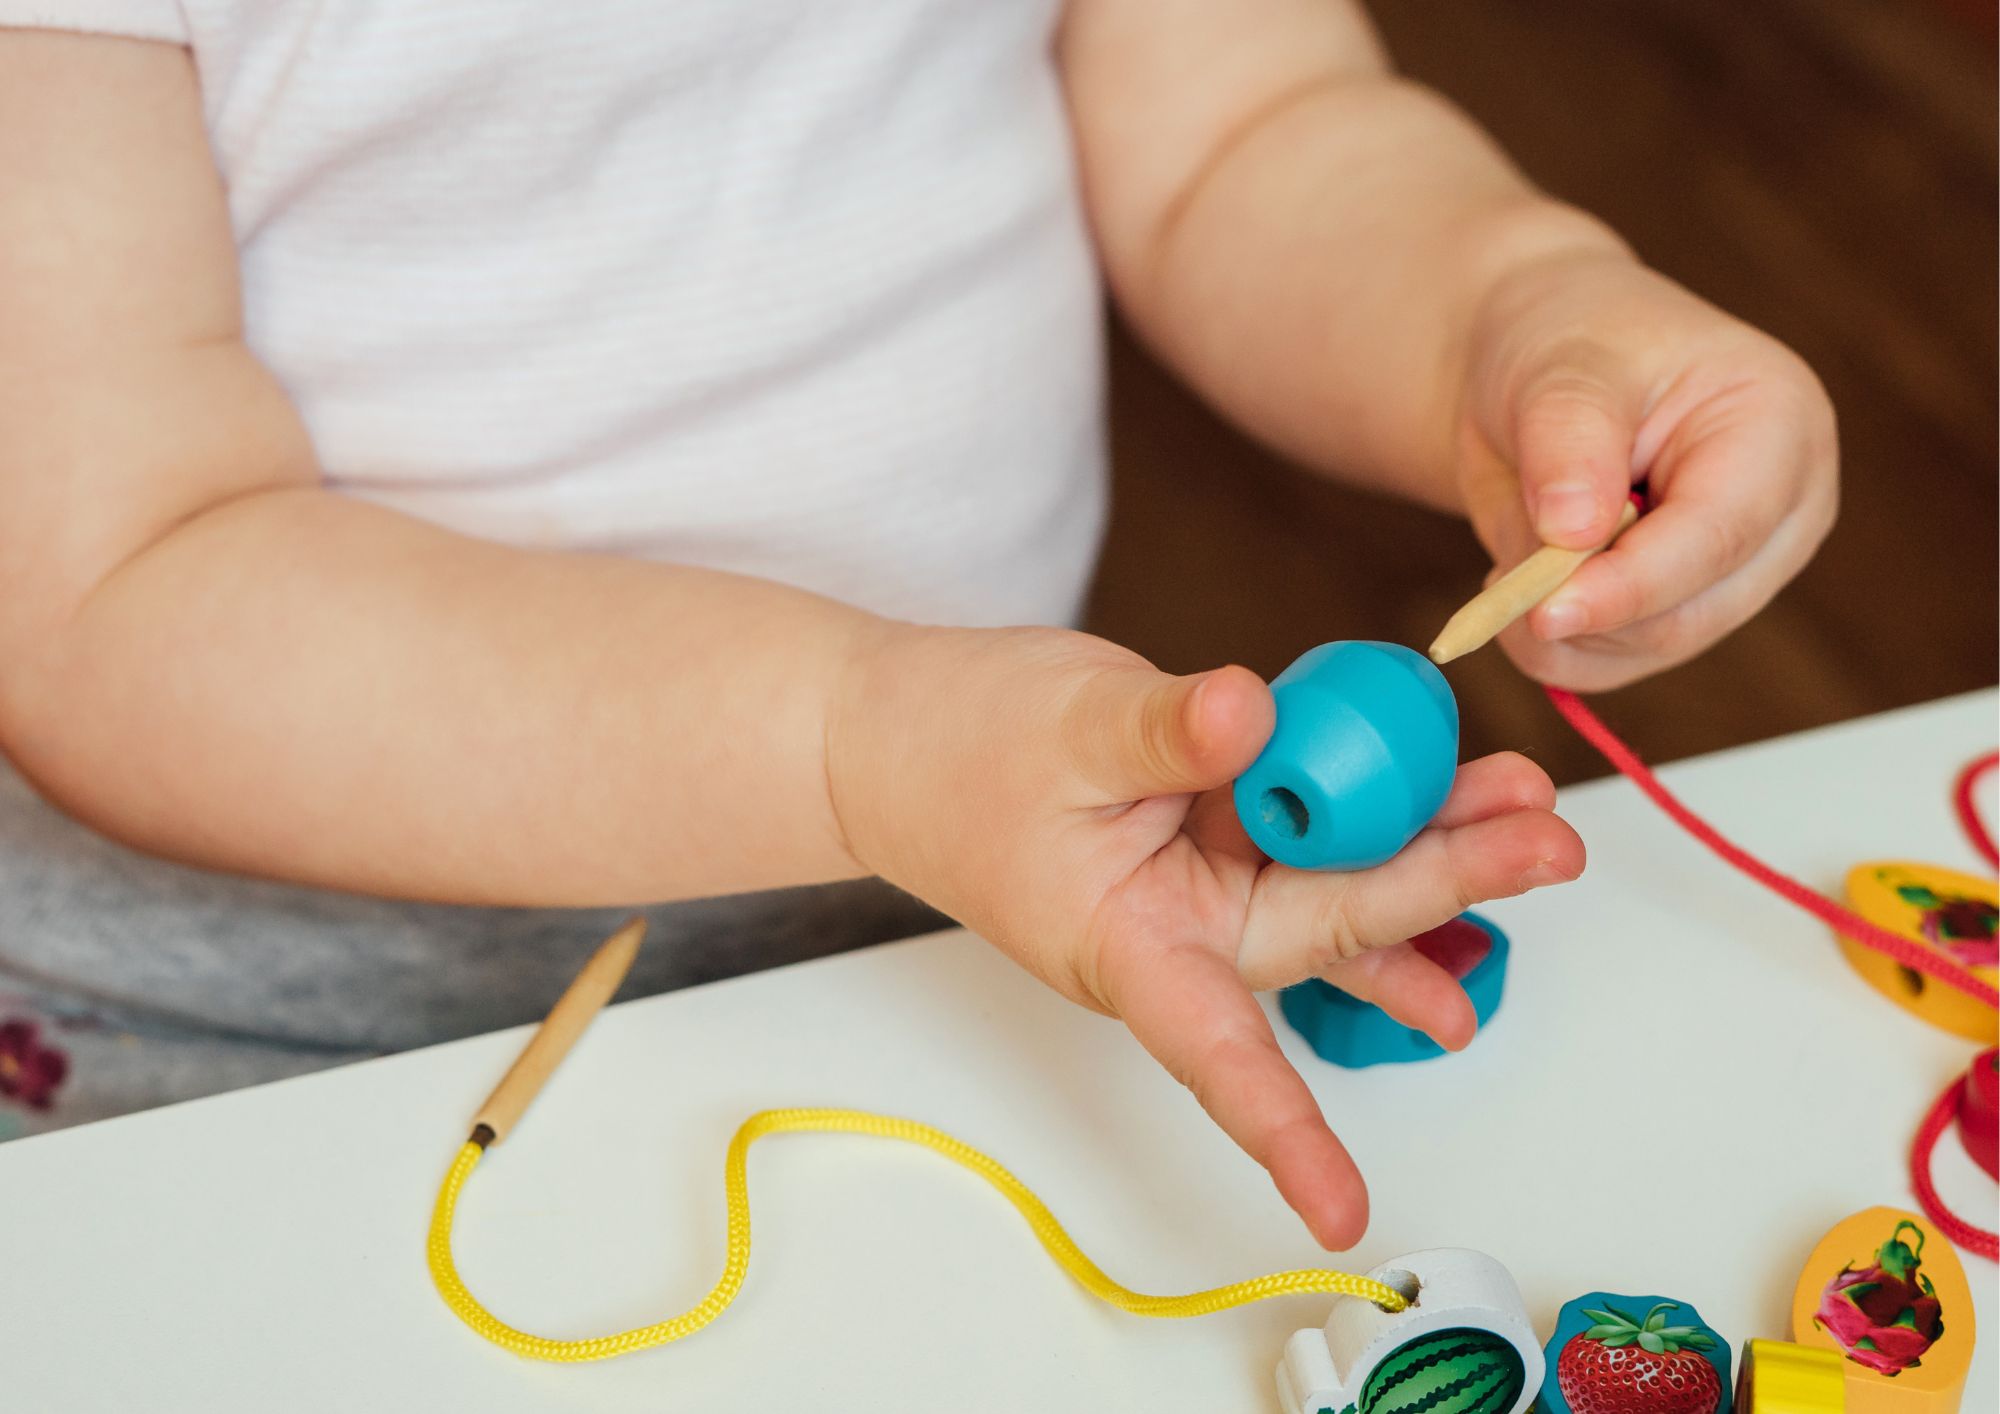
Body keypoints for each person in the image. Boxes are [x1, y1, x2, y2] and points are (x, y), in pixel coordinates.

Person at [0, 1, 1835, 1248]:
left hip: (957, 881)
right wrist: (848, 739)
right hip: (251, 1043)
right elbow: (118, 579)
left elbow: (1243, 124)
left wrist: (1510, 308)